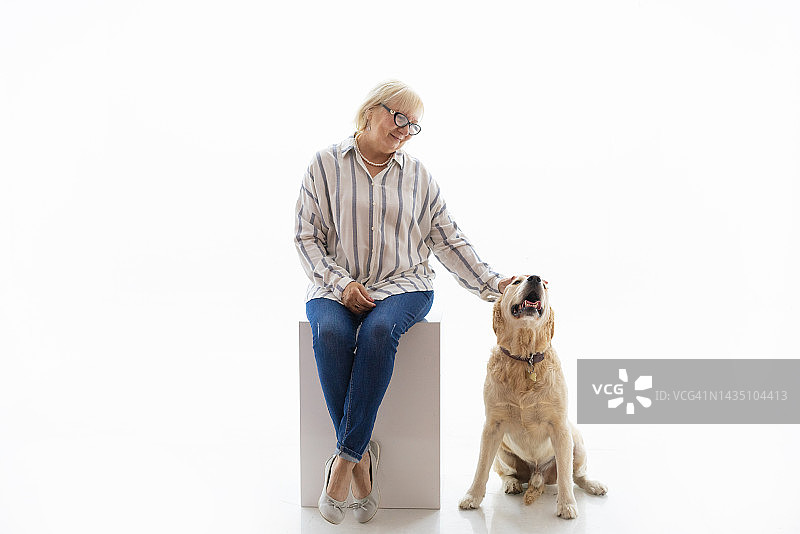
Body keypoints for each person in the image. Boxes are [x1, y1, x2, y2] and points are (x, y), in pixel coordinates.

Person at [294, 80, 512, 524]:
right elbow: (306, 238)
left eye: (414, 126)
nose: (406, 129)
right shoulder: (323, 165)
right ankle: (362, 464)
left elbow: (449, 240)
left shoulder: (418, 176)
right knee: (331, 333)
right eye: (400, 117)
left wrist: (495, 285)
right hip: (336, 285)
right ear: (372, 112)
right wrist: (340, 284)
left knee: (378, 331)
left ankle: (343, 464)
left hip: (404, 283)